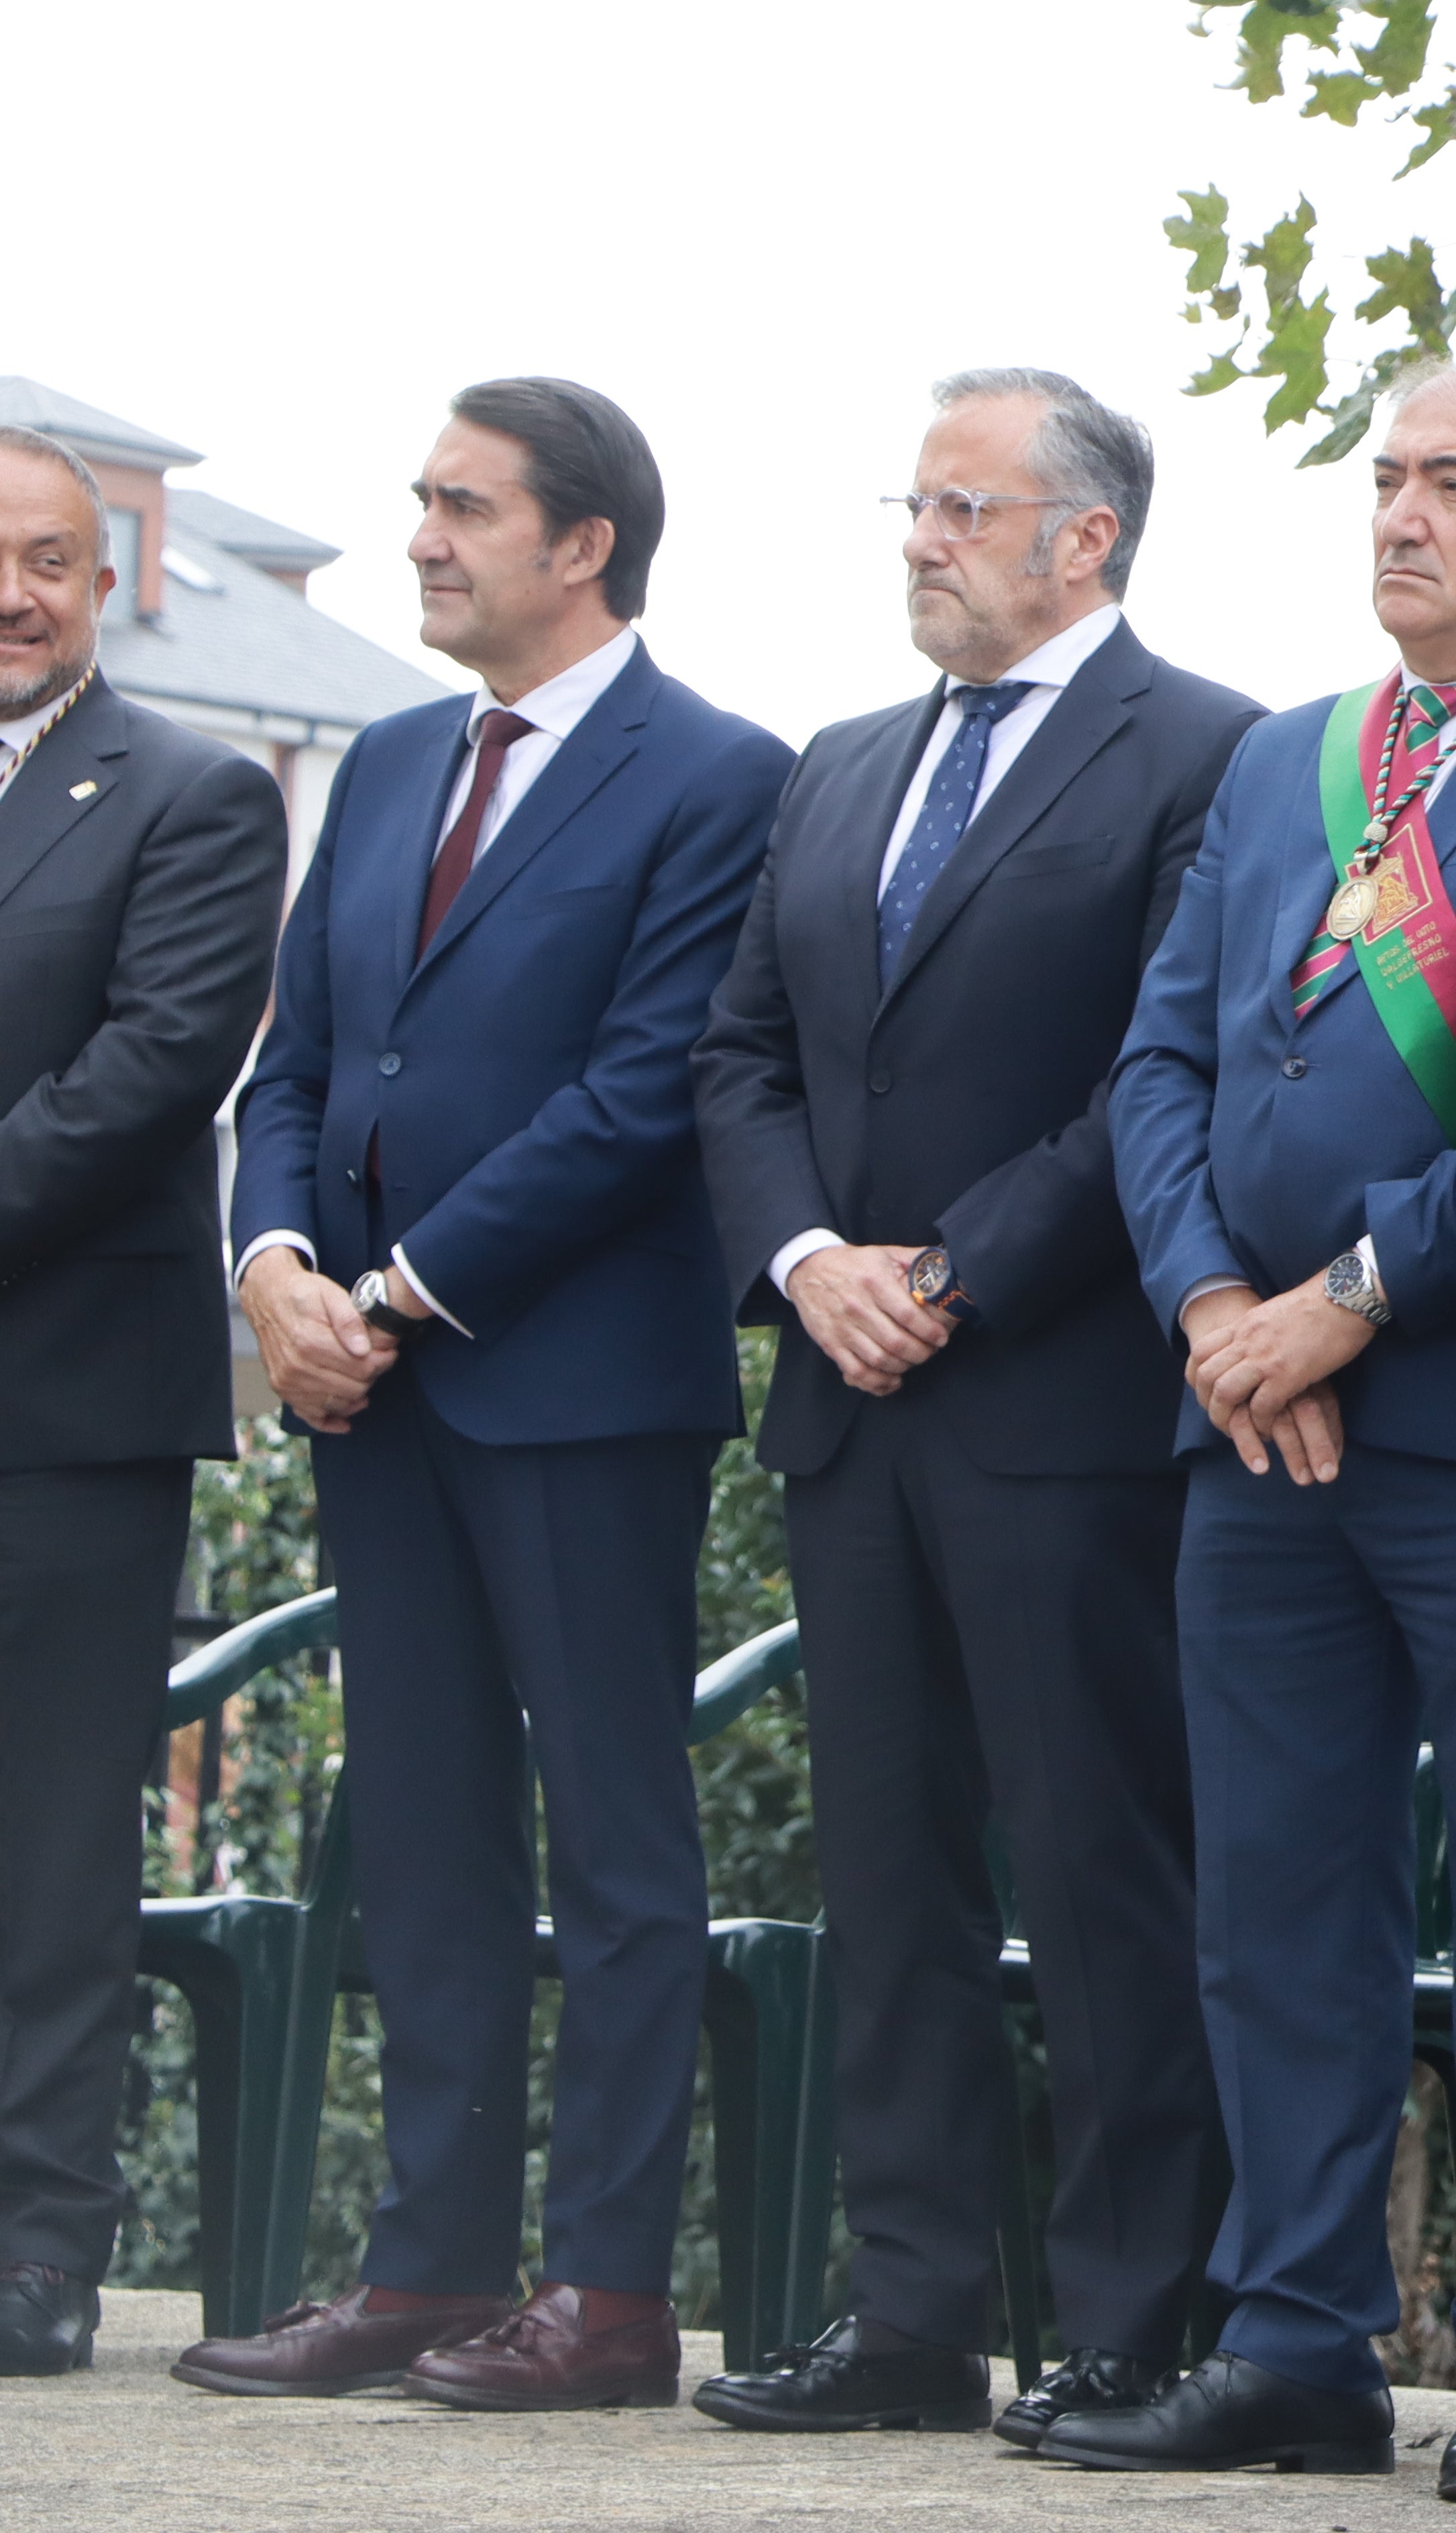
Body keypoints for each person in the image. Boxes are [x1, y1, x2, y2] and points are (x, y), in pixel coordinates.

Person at [190, 380, 791, 2410]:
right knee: (427, 1837)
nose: (425, 537)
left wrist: (395, 1287)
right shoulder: (379, 765)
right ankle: (428, 2266)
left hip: (576, 1389)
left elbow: (642, 1092)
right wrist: (273, 1268)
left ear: (583, 543)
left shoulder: (720, 776)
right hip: (371, 1391)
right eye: (422, 502)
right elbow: (297, 1064)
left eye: (462, 506)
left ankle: (608, 2291)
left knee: (618, 1843)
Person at [686, 370, 1259, 2444]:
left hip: (1060, 1396)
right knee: (892, 1877)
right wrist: (809, 1262)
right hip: (846, 1402)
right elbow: (739, 1056)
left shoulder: (1205, 753)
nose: (918, 537)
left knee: (1104, 1870)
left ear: (1079, 538)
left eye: (958, 504)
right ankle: (911, 2306)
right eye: (912, 502)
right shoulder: (838, 768)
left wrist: (960, 1261)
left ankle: (1132, 2308)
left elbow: (1165, 1064)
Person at [1088, 362, 1456, 2483]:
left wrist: (1346, 1299)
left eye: (1454, 485)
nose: (1398, 515)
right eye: (1384, 478)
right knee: (1276, 1905)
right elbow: (1158, 1064)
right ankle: (1296, 2331)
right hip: (1252, 1429)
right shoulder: (1288, 761)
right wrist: (1217, 1304)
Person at [0, 428, 288, 2380]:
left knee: (40, 1845)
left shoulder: (187, 794)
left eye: (45, 556)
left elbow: (159, 1063)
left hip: (61, 1402)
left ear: (106, 583)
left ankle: (34, 2248)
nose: (11, 588)